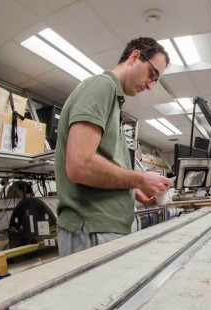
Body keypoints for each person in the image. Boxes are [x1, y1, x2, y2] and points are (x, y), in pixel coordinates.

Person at [55, 37, 172, 257]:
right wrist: (140, 179)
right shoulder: (101, 86)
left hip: (106, 228)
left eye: (156, 80)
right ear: (135, 56)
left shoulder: (115, 102)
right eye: (152, 74)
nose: (150, 85)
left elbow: (102, 162)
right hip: (91, 229)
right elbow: (79, 165)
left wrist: (132, 190)